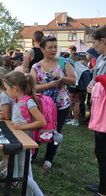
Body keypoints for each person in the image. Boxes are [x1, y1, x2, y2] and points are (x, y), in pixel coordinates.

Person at [30, 36, 76, 169]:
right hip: (41, 105)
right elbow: (33, 87)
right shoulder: (36, 66)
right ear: (42, 49)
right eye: (50, 47)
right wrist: (48, 85)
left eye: (55, 47)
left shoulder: (64, 62)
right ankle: (33, 154)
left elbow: (73, 80)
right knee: (37, 128)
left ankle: (49, 158)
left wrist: (61, 77)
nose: (53, 50)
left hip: (61, 105)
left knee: (55, 131)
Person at [3, 71, 46, 196]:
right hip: (20, 141)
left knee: (23, 175)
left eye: (6, 89)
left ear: (14, 88)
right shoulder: (17, 100)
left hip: (25, 142)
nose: (6, 92)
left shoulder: (28, 102)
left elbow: (41, 121)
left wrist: (22, 126)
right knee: (27, 171)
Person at [86, 25, 106, 196]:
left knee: (102, 150)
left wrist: (98, 83)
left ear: (104, 40)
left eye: (94, 42)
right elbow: (95, 81)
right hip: (100, 109)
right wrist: (92, 85)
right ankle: (103, 186)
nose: (93, 46)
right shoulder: (101, 59)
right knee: (100, 150)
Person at [66, 52, 90, 126]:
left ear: (72, 59)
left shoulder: (74, 66)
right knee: (75, 103)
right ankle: (75, 119)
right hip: (80, 88)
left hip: (75, 88)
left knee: (75, 104)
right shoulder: (82, 66)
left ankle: (76, 120)